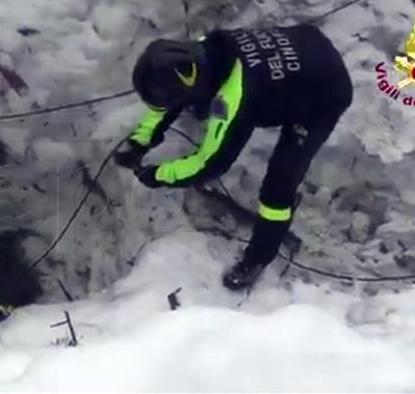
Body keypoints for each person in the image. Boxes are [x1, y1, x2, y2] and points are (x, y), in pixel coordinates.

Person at [115, 25, 353, 290]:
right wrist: (139, 142)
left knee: (278, 186)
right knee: (199, 99)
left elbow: (210, 163)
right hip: (304, 45)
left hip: (324, 93)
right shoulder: (200, 51)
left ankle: (257, 259)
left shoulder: (235, 97)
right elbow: (170, 101)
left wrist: (157, 175)